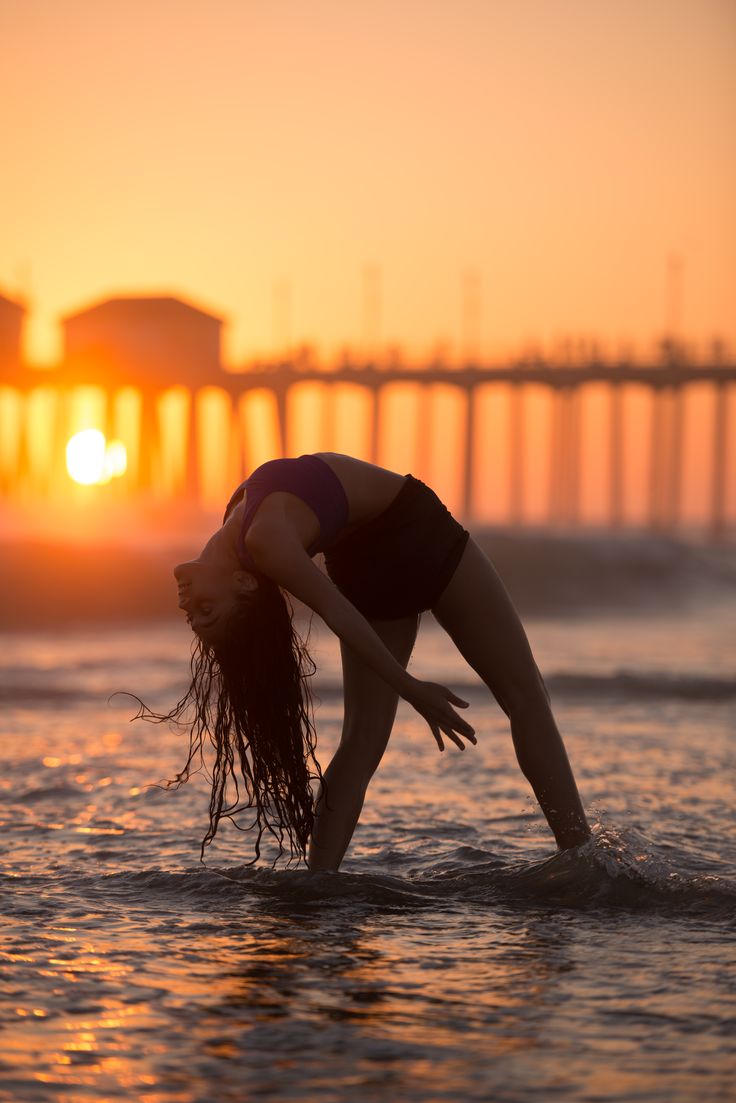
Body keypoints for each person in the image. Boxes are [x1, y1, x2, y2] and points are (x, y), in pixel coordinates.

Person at [156, 451, 590, 870]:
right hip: (414, 532)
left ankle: (319, 880)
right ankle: (580, 856)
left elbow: (336, 604)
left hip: (362, 564)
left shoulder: (246, 534)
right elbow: (338, 612)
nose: (186, 607)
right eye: (203, 613)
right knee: (526, 697)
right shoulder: (261, 540)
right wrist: (410, 687)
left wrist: (407, 685)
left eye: (198, 615)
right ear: (242, 582)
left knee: (360, 743)